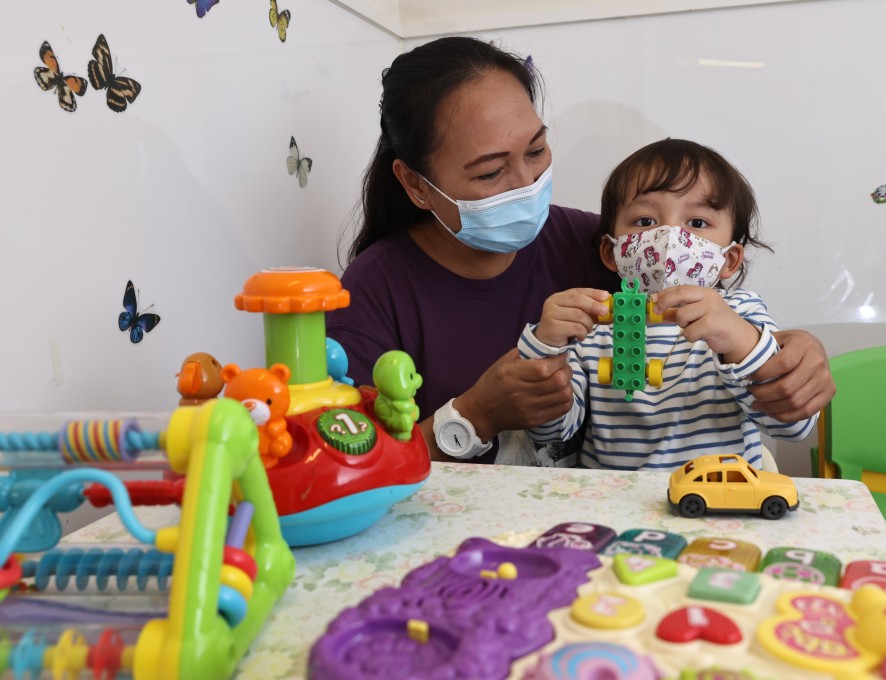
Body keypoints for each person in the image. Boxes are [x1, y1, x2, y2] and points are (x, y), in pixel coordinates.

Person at [327, 36, 835, 464]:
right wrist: (477, 413)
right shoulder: (373, 293)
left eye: (536, 151)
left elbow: (712, 313)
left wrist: (783, 352)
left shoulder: (608, 249)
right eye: (489, 172)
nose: (527, 184)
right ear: (416, 185)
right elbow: (350, 465)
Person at [518, 138, 817, 470]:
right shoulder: (594, 323)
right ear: (611, 252)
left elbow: (792, 426)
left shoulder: (742, 314)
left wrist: (738, 341)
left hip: (717, 505)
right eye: (646, 221)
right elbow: (551, 431)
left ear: (729, 259)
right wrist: (545, 345)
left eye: (697, 223)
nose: (669, 236)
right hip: (614, 506)